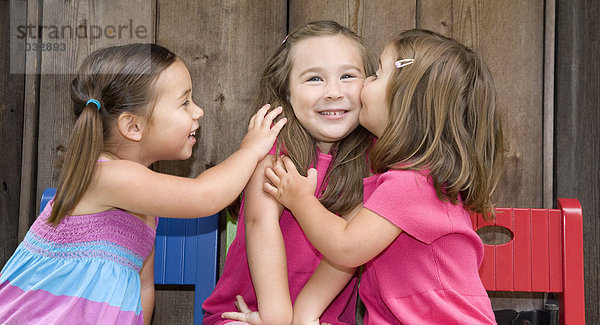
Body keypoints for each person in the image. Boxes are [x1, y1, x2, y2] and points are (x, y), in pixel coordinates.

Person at [0, 43, 286, 325]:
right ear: (133, 127)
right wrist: (250, 150)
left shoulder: (144, 200)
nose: (198, 111)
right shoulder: (105, 177)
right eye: (184, 102)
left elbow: (142, 288)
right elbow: (205, 197)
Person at [264, 29, 504, 324]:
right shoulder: (406, 177)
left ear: (404, 104)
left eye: (376, 74)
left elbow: (345, 247)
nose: (365, 82)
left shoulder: (411, 185)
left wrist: (300, 200)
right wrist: (305, 314)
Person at [203, 21, 374, 325]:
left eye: (347, 76)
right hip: (250, 310)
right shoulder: (273, 145)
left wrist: (305, 318)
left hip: (321, 315)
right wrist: (277, 318)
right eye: (314, 79)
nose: (333, 92)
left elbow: (347, 249)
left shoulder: (371, 160)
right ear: (287, 90)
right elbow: (260, 223)